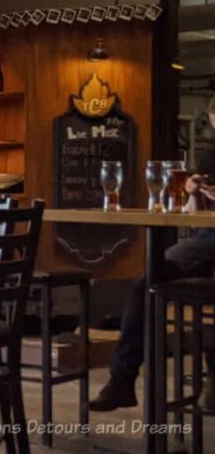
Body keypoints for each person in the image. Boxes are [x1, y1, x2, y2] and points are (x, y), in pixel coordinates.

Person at [90, 97, 215, 411]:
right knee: (148, 281)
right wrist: (192, 195)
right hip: (208, 237)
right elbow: (192, 214)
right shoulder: (210, 156)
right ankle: (121, 380)